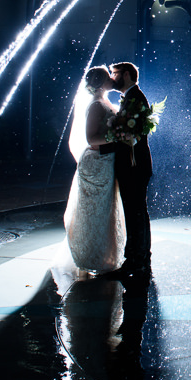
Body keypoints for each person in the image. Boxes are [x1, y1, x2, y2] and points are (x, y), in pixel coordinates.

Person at [62, 65, 126, 273]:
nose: (112, 80)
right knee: (95, 212)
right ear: (101, 82)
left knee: (105, 210)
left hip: (106, 160)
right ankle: (92, 256)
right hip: (97, 162)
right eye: (109, 77)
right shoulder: (96, 105)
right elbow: (91, 138)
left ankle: (104, 254)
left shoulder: (104, 101)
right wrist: (116, 137)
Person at [99, 61, 152, 275]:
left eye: (115, 73)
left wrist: (101, 148)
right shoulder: (131, 97)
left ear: (127, 74)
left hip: (134, 165)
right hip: (134, 164)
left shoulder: (135, 98)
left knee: (135, 212)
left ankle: (135, 261)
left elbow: (133, 136)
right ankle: (139, 258)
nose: (112, 78)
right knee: (136, 212)